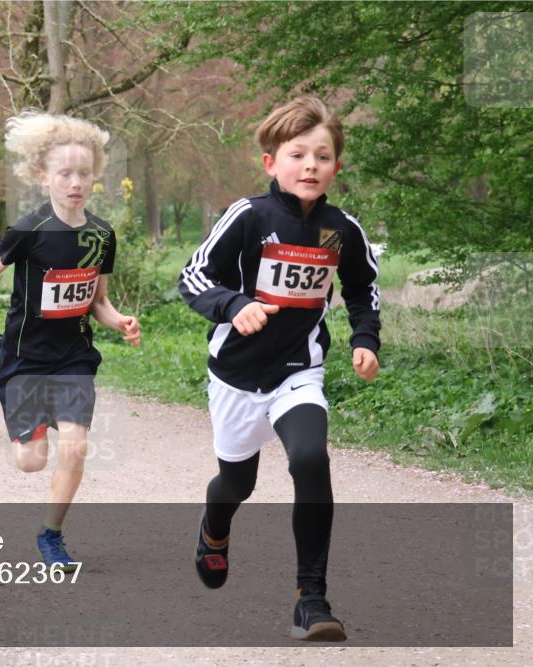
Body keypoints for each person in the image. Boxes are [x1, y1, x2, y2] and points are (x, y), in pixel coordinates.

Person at [178, 96, 381, 642]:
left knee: (311, 459)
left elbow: (363, 291)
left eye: (323, 156)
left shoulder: (342, 230)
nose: (311, 165)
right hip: (237, 376)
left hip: (299, 371)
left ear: (337, 166)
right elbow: (193, 277)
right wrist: (233, 305)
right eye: (298, 154)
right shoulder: (248, 216)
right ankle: (214, 528)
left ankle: (310, 599)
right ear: (271, 162)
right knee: (234, 484)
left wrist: (365, 339)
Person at [0, 112, 141, 571]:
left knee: (77, 445)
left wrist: (118, 320)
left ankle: (52, 536)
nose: (76, 182)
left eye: (84, 173)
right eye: (65, 173)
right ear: (44, 177)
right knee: (31, 462)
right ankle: (33, 425)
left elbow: (97, 301)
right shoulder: (29, 230)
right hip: (25, 361)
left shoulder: (102, 235)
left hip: (74, 358)